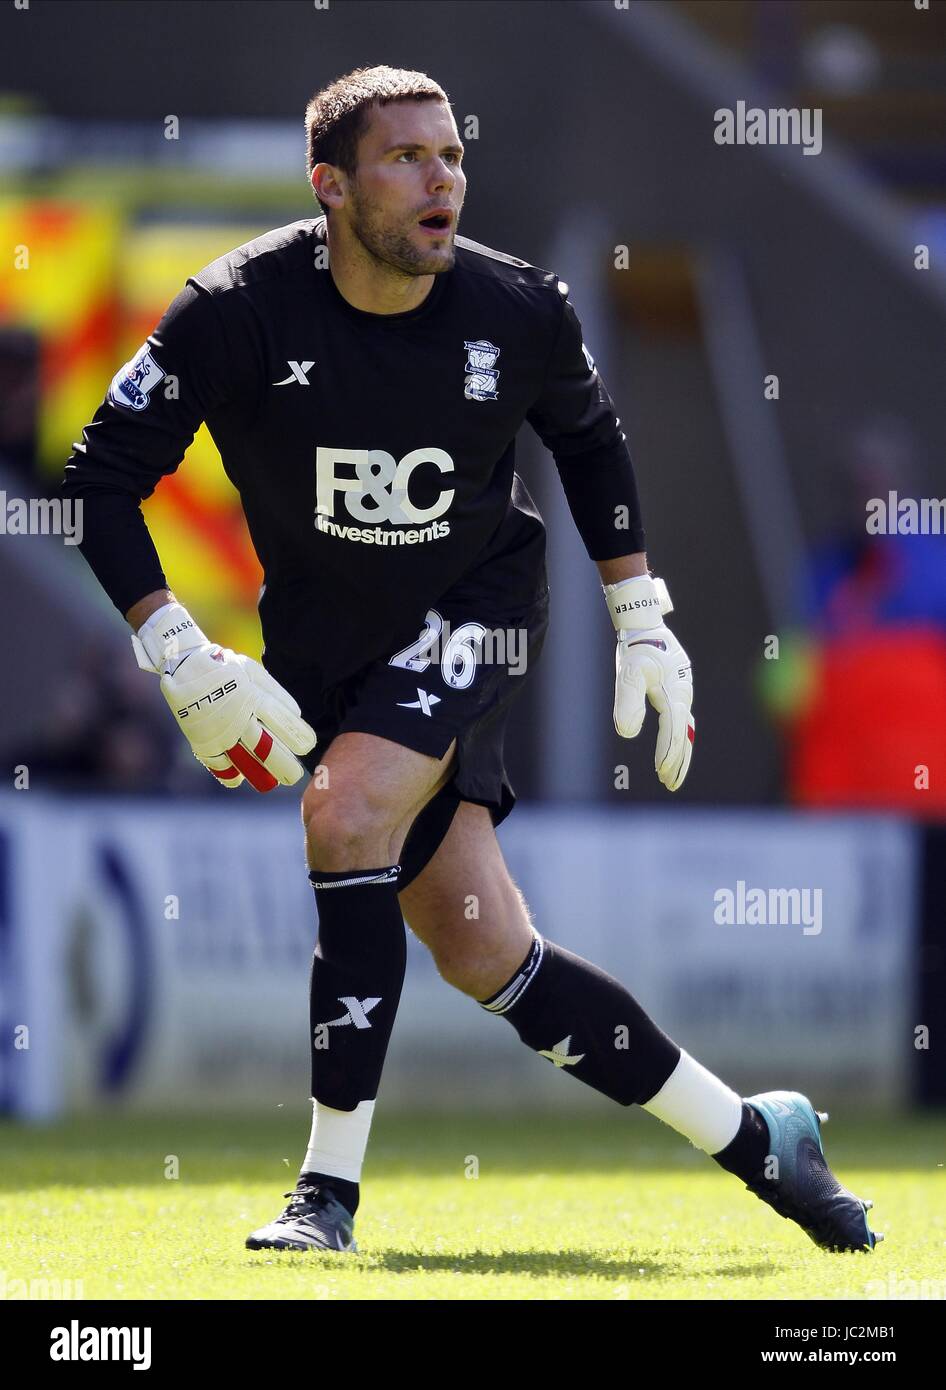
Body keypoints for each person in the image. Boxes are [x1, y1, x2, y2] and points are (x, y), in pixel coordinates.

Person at [62, 65, 878, 1255]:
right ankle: (760, 1135)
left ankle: (324, 1194)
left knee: (345, 816)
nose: (441, 178)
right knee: (484, 948)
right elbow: (96, 480)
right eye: (407, 158)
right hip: (326, 644)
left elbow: (589, 445)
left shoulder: (521, 309)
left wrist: (641, 615)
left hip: (477, 609)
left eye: (450, 155)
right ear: (329, 187)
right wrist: (178, 651)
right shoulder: (235, 308)